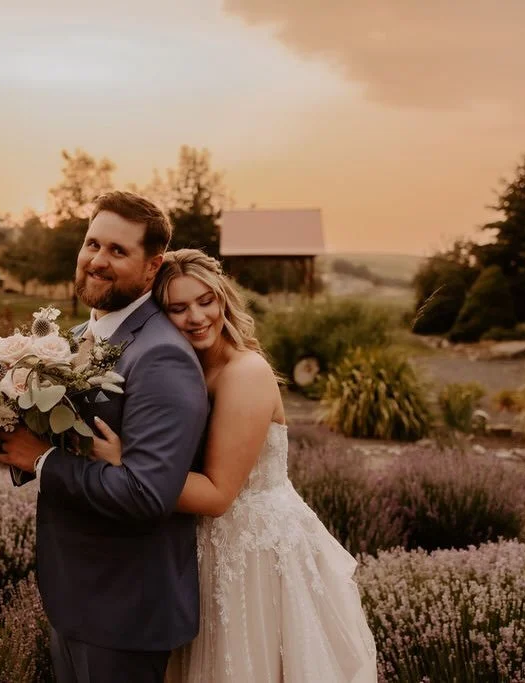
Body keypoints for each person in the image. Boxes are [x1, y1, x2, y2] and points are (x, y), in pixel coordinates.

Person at [88, 249, 379, 683]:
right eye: (178, 308)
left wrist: (127, 462)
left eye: (206, 301)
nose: (197, 317)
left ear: (224, 298)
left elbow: (220, 495)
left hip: (253, 553)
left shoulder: (245, 373)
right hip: (206, 547)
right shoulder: (188, 369)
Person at [0, 192, 209, 683]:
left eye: (118, 251)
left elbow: (148, 494)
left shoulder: (161, 357)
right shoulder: (70, 340)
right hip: (76, 594)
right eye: (93, 243)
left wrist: (41, 460)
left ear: (152, 267)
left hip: (125, 608)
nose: (97, 260)